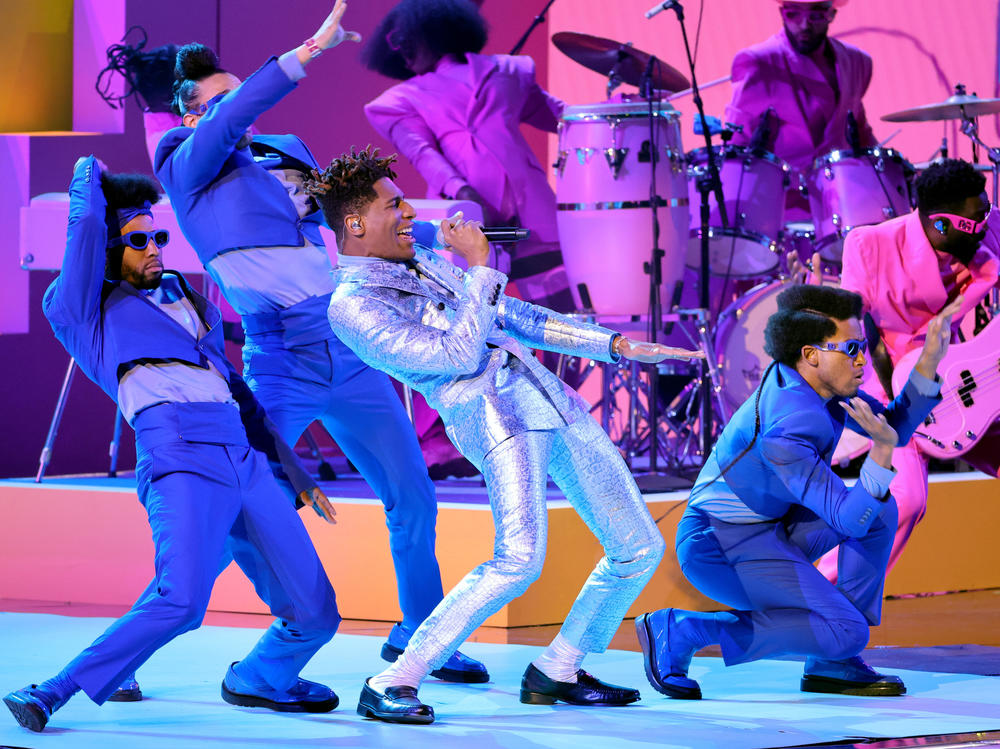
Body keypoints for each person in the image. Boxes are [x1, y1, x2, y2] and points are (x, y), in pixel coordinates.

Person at [152, 1, 487, 683]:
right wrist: (304, 54)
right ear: (195, 116)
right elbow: (232, 117)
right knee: (235, 505)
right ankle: (140, 637)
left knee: (412, 494)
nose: (240, 110)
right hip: (281, 357)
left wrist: (431, 235)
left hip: (349, 343)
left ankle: (420, 636)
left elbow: (349, 224)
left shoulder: (285, 152)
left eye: (239, 94)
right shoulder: (186, 164)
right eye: (222, 101)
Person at [312, 146, 704, 724]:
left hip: (551, 399)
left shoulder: (421, 260)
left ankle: (559, 668)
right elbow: (456, 353)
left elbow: (513, 317)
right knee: (520, 558)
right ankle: (394, 679)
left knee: (638, 545)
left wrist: (614, 347)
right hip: (495, 419)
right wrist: (479, 269)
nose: (408, 215)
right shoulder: (351, 306)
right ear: (355, 223)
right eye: (395, 205)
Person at [3, 158, 340, 733]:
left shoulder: (188, 298)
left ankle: (262, 677)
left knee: (318, 613)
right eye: (138, 240)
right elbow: (84, 231)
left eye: (159, 235)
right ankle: (54, 689)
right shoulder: (80, 308)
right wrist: (89, 173)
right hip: (180, 456)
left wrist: (295, 471)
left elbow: (236, 393)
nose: (156, 247)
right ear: (109, 250)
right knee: (183, 601)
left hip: (245, 460)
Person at [636, 284, 954, 700]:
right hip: (719, 549)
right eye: (852, 347)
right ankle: (684, 629)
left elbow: (892, 427)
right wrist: (880, 449)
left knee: (879, 511)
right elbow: (846, 517)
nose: (862, 359)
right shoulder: (789, 425)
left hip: (766, 530)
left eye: (864, 345)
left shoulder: (815, 385)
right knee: (847, 629)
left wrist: (929, 360)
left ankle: (831, 659)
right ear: (811, 354)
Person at [816, 159, 1000, 579]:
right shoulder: (870, 244)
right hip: (893, 390)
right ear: (939, 225)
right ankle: (818, 597)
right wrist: (900, 411)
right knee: (906, 499)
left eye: (986, 211)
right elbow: (856, 329)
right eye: (975, 219)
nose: (984, 225)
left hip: (961, 385)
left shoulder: (987, 234)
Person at [362, 0, 572, 313]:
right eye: (397, 44)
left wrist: (619, 107)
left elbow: (564, 118)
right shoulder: (400, 100)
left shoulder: (509, 71)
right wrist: (465, 193)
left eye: (408, 40)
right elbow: (424, 155)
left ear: (436, 30)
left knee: (559, 317)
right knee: (472, 314)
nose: (402, 52)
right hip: (464, 216)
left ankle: (555, 364)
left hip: (531, 213)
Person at [725, 0, 875, 218]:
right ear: (781, 13)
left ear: (831, 14)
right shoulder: (760, 61)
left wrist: (894, 171)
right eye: (793, 14)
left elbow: (858, 131)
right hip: (781, 209)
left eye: (815, 15)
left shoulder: (857, 61)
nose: (804, 25)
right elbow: (736, 144)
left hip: (843, 205)